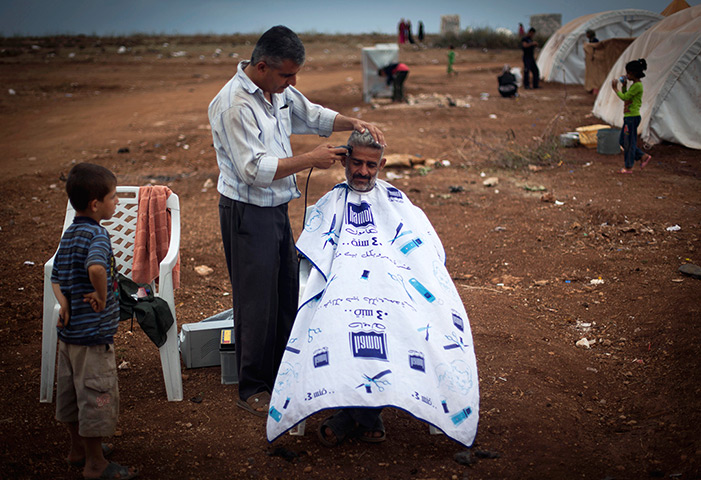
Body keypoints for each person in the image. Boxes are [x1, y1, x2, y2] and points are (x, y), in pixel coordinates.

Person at [208, 25, 384, 419]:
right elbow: (254, 169)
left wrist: (353, 122)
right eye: (287, 75)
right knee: (256, 302)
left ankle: (283, 373)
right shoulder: (235, 105)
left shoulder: (278, 91)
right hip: (246, 211)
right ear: (263, 65)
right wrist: (311, 159)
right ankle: (252, 387)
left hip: (275, 208)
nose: (292, 83)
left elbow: (310, 114)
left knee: (286, 291)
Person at [266, 130, 480, 449]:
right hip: (340, 288)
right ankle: (365, 416)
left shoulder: (397, 203)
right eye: (356, 163)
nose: (363, 172)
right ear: (344, 161)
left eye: (371, 165)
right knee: (343, 326)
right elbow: (313, 254)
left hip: (397, 286)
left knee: (403, 324)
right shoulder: (330, 203)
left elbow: (427, 254)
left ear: (382, 164)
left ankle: (351, 417)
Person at [51, 163, 138, 480]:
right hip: (93, 337)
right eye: (113, 197)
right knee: (95, 396)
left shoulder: (70, 234)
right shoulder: (98, 236)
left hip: (69, 336)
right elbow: (97, 269)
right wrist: (101, 297)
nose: (116, 203)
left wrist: (63, 305)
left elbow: (56, 277)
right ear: (95, 204)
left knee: (72, 394)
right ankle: (95, 464)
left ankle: (77, 450)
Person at [611, 58, 652, 174]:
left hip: (632, 118)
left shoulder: (637, 86)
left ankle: (629, 167)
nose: (626, 75)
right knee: (623, 141)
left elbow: (625, 98)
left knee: (629, 142)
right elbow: (626, 95)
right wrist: (624, 86)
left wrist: (615, 89)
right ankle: (643, 156)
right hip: (629, 117)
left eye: (628, 73)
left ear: (634, 74)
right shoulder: (634, 85)